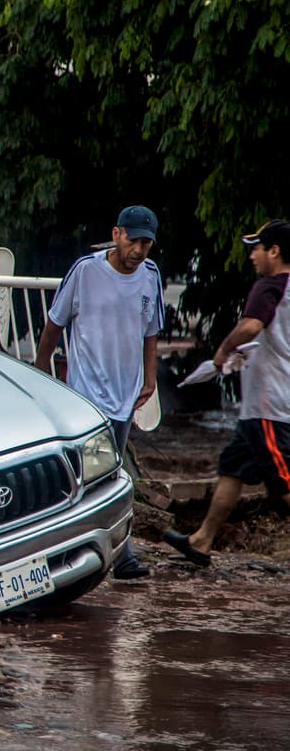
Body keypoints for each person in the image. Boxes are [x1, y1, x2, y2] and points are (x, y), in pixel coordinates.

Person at [34, 205, 164, 580]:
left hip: (125, 395)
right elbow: (54, 324)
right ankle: (101, 554)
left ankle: (117, 553)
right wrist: (41, 371)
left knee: (111, 476)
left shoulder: (150, 277)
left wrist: (150, 378)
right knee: (85, 475)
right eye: (134, 240)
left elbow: (151, 332)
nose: (139, 250)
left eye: (147, 243)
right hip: (86, 394)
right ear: (117, 234)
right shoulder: (86, 271)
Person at [164, 220, 290, 567]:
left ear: (274, 251)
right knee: (232, 468)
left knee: (284, 483)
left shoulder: (270, 286)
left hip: (269, 407)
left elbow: (251, 325)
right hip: (262, 405)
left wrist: (222, 352)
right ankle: (202, 540)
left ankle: (203, 539)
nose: (252, 255)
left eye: (257, 248)